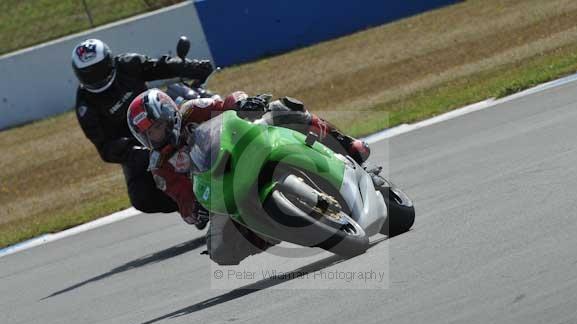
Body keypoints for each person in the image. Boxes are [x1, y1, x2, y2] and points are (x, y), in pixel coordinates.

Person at [126, 88, 371, 264]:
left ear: (168, 114)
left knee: (282, 108)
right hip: (221, 190)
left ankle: (345, 143)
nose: (154, 137)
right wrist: (194, 211)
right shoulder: (159, 165)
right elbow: (182, 202)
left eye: (156, 127)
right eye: (147, 135)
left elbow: (226, 104)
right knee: (219, 250)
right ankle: (272, 231)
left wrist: (243, 103)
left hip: (240, 150)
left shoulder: (192, 110)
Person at [72, 38, 213, 220]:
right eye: (88, 75)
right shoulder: (85, 105)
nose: (95, 77)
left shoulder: (127, 64)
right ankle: (193, 207)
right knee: (142, 198)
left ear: (109, 62)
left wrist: (192, 67)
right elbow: (104, 147)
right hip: (137, 147)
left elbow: (161, 66)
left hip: (164, 116)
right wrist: (132, 151)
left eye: (98, 70)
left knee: (197, 102)